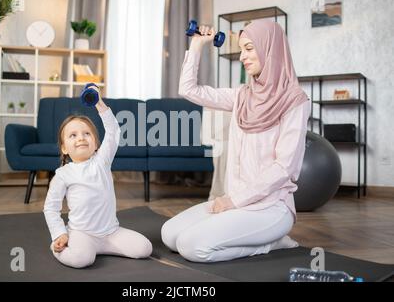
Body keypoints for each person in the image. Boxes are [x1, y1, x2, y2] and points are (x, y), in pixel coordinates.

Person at [161, 20, 310, 263]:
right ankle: (261, 239)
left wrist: (233, 200)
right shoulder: (241, 96)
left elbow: (285, 168)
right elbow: (188, 90)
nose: (243, 57)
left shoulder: (295, 101)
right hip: (234, 202)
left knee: (191, 247)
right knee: (169, 235)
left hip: (269, 208)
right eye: (242, 49)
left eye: (249, 48)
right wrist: (197, 44)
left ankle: (271, 243)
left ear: (270, 48)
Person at [43, 90, 152, 268]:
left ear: (95, 143)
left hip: (110, 233)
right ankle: (58, 249)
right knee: (82, 260)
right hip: (82, 234)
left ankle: (99, 248)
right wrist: (59, 234)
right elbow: (51, 208)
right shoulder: (63, 174)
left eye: (87, 134)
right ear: (64, 148)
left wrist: (99, 104)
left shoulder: (102, 161)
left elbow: (113, 130)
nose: (81, 138)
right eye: (73, 135)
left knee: (144, 248)